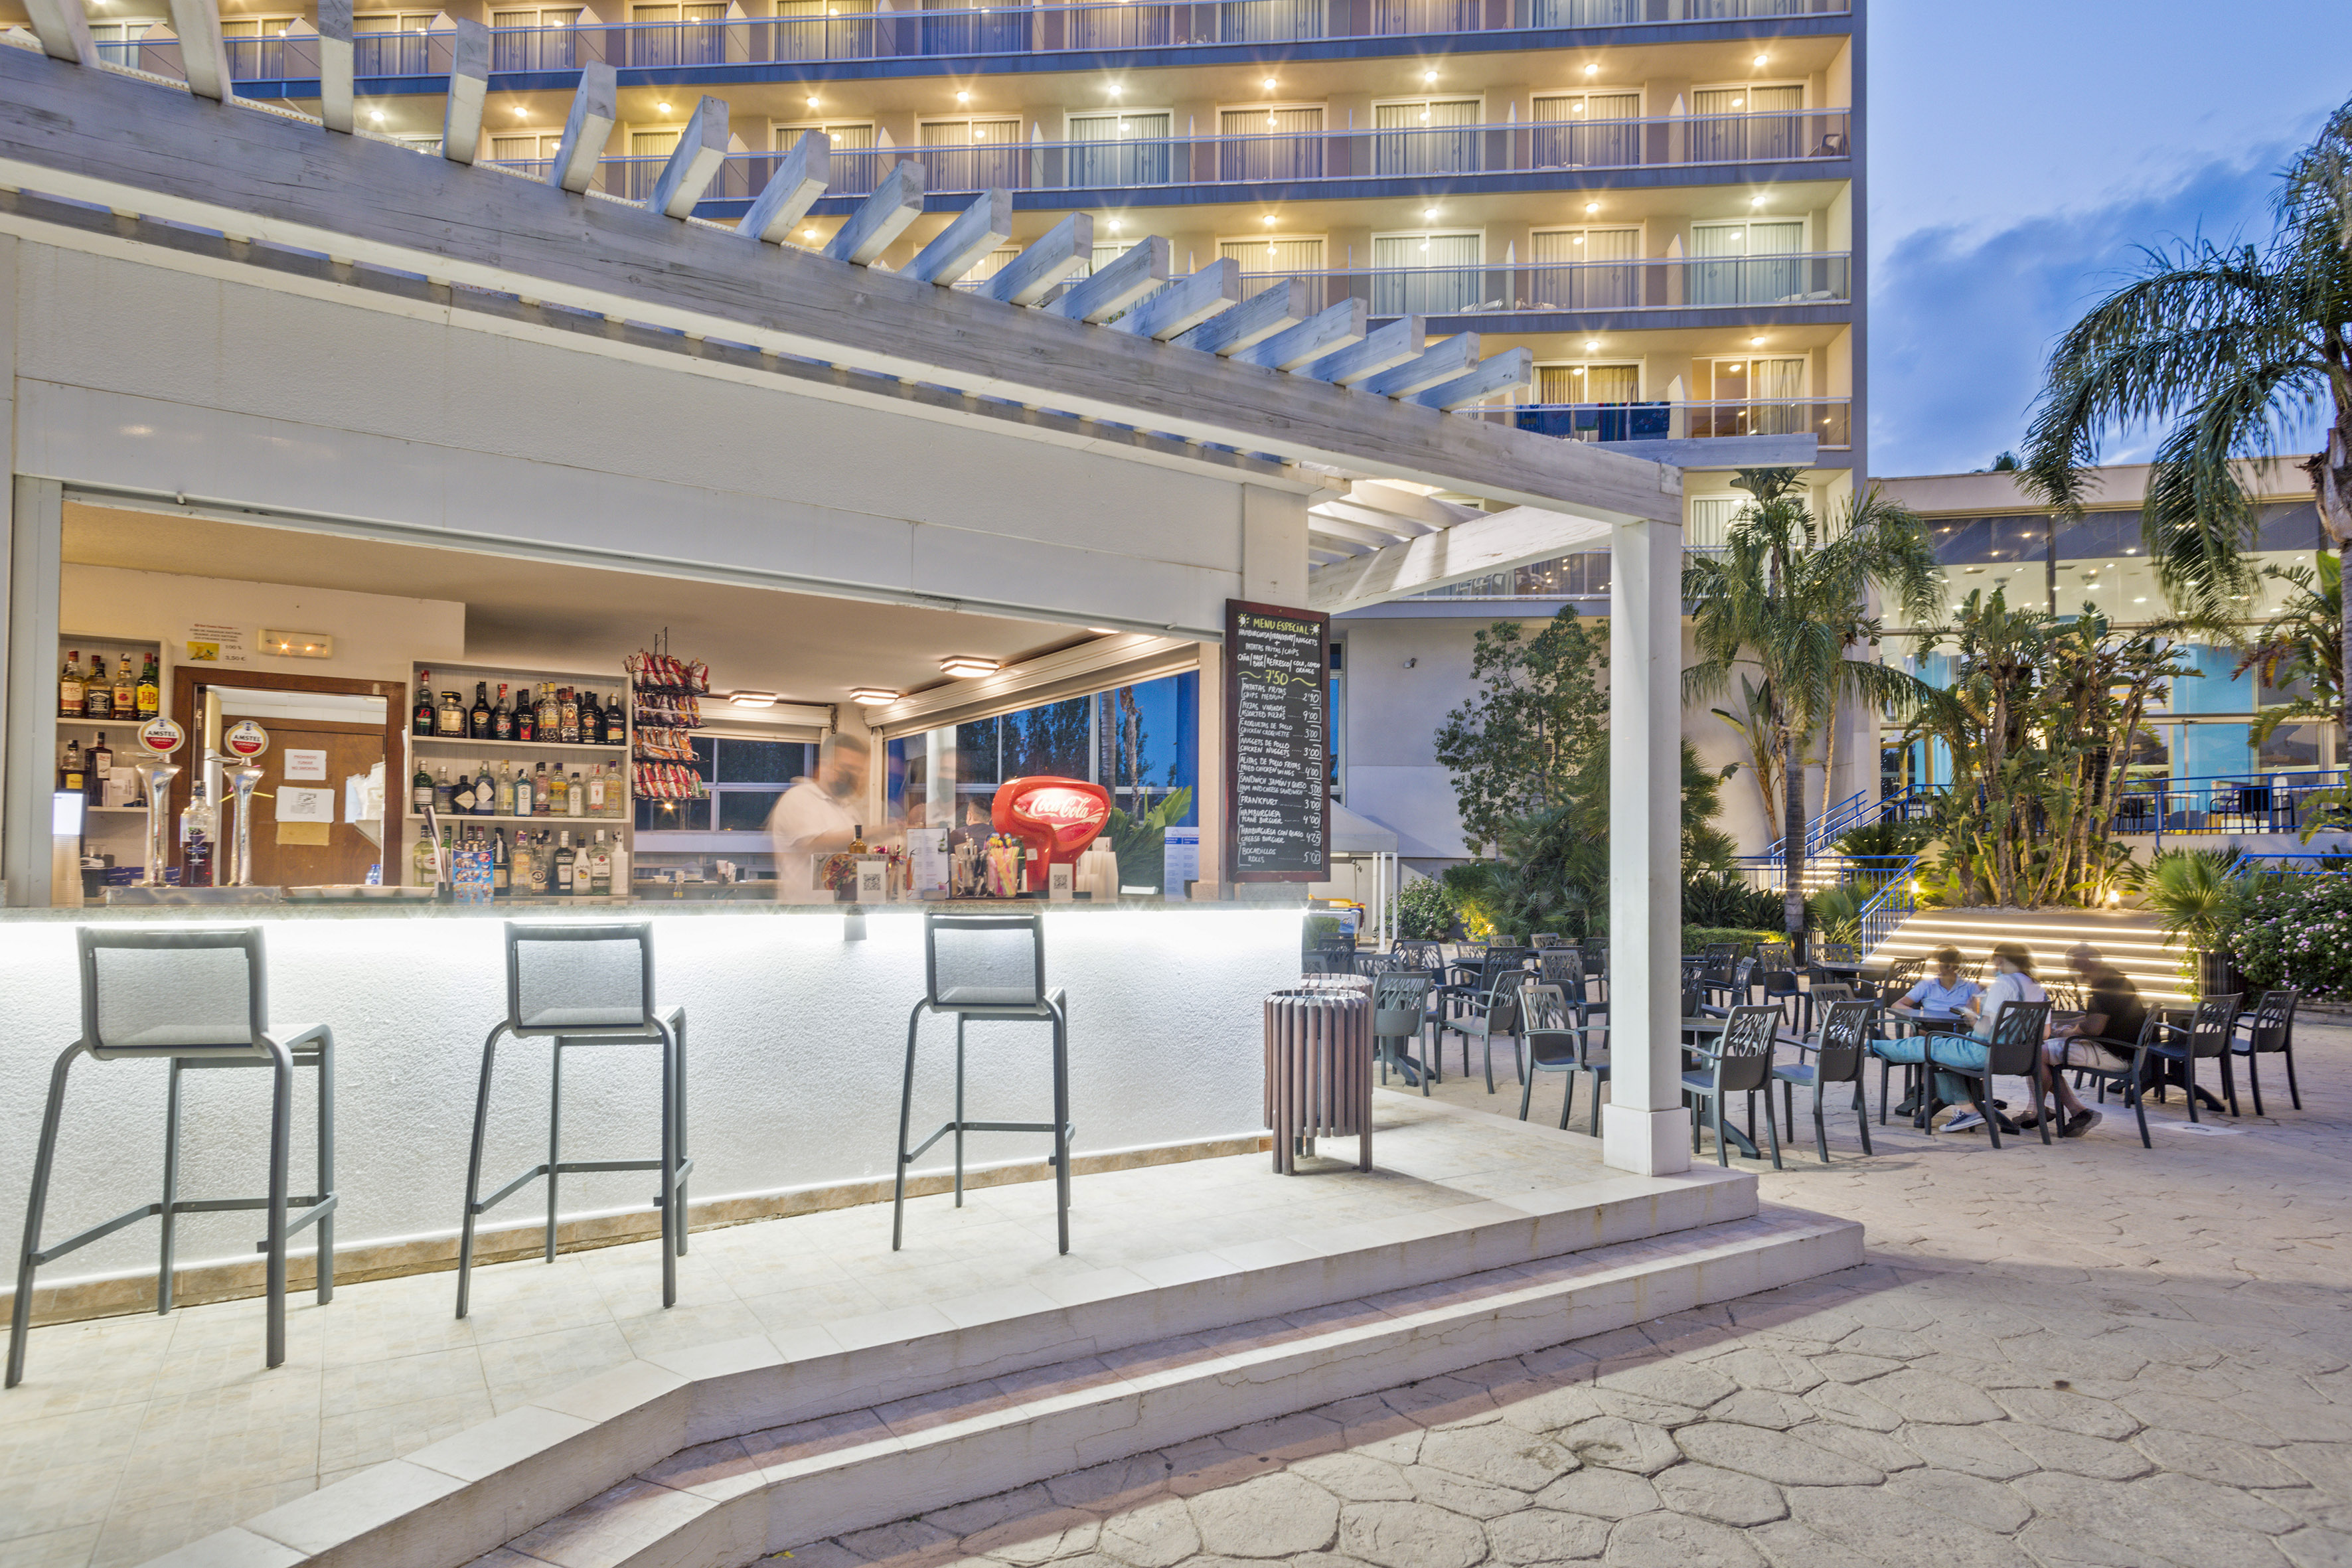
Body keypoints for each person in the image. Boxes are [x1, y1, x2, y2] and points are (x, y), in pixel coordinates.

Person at [2051, 941, 2224, 1113]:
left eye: (2076, 969)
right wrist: (2075, 1023)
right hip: (2130, 1050)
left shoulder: (2104, 987)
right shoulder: (2119, 980)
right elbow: (2101, 1018)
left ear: (2086, 966)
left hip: (2117, 1054)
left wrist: (2066, 1031)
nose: (2075, 974)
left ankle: (2071, 1111)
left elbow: (2094, 1029)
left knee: (2041, 1054)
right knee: (2048, 1050)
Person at [1928, 942, 2049, 1134]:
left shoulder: (2003, 984)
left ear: (1999, 960)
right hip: (2024, 1060)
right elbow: (2045, 1034)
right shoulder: (2037, 987)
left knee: (1938, 1049)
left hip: (1993, 1057)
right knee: (1956, 1052)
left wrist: (1971, 1017)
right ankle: (1974, 1104)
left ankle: (1967, 1108)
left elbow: (1984, 1030)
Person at [1874, 947, 1980, 1119]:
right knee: (1920, 1033)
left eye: (1949, 965)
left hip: (1957, 1031)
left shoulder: (1969, 987)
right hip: (1931, 1028)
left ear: (1956, 966)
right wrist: (1917, 1014)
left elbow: (1977, 1010)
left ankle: (1945, 1089)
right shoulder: (1927, 984)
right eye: (1942, 965)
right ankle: (1926, 1085)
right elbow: (1897, 1005)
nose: (1944, 969)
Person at [767, 732, 869, 903]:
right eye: (847, 768)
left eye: (857, 770)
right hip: (804, 914)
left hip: (841, 911)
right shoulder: (799, 798)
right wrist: (875, 832)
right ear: (827, 765)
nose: (853, 776)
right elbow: (816, 844)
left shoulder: (848, 810)